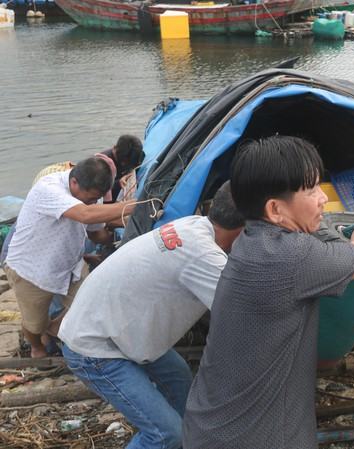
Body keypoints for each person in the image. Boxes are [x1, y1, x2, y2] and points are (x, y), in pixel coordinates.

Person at [182, 135, 354, 449]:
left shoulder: (253, 241)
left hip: (212, 424)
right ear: (276, 209)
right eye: (311, 190)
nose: (323, 199)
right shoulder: (291, 257)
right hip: (247, 439)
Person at [58, 182, 244, 449]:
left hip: (118, 331)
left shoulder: (195, 225)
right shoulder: (205, 256)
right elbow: (247, 317)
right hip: (95, 348)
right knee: (164, 434)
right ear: (246, 228)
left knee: (181, 385)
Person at [3, 157, 134, 358]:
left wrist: (122, 232)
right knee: (34, 323)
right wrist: (135, 205)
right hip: (31, 271)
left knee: (91, 304)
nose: (93, 201)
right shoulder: (48, 187)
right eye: (90, 198)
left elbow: (95, 232)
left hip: (70, 266)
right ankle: (37, 347)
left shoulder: (91, 196)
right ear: (74, 183)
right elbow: (85, 215)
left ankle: (56, 329)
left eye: (95, 199)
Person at [96, 134, 145, 203]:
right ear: (114, 149)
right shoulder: (101, 165)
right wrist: (118, 183)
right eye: (123, 162)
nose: (125, 165)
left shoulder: (135, 156)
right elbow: (97, 190)